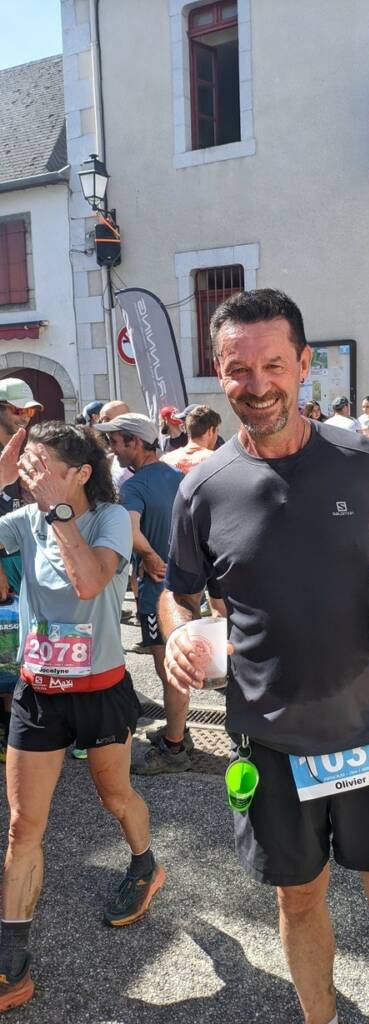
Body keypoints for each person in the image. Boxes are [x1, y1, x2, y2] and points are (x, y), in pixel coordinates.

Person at [158, 288, 369, 1024]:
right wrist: (179, 631)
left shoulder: (364, 462)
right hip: (270, 741)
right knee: (298, 904)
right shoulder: (202, 490)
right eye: (238, 370)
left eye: (274, 364)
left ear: (304, 364)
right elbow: (175, 593)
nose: (258, 384)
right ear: (219, 371)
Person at [0, 422, 164, 1012]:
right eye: (28, 469)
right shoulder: (23, 521)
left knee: (114, 796)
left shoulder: (109, 520)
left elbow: (91, 582)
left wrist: (60, 514)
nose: (32, 479)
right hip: (38, 693)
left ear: (81, 474)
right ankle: (11, 962)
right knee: (23, 827)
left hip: (99, 691)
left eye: (42, 468)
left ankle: (145, 864)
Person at [93, 413, 192, 774]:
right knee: (178, 664)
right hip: (185, 585)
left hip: (157, 590)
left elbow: (131, 531)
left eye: (115, 441)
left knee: (169, 670)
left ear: (135, 442)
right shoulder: (177, 475)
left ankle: (175, 748)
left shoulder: (133, 486)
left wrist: (149, 555)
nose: (111, 448)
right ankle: (178, 728)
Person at [0, 380, 43, 762]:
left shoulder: (19, 451)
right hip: (3, 575)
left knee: (12, 655)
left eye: (29, 412)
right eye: (18, 410)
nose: (24, 418)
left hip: (18, 578)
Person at [161, 405, 221, 475]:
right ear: (210, 431)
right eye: (217, 430)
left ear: (186, 429)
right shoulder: (217, 461)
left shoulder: (165, 460)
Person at [97, 400, 133, 490]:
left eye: (106, 419)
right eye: (101, 421)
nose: (102, 425)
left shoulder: (152, 456)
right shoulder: (110, 459)